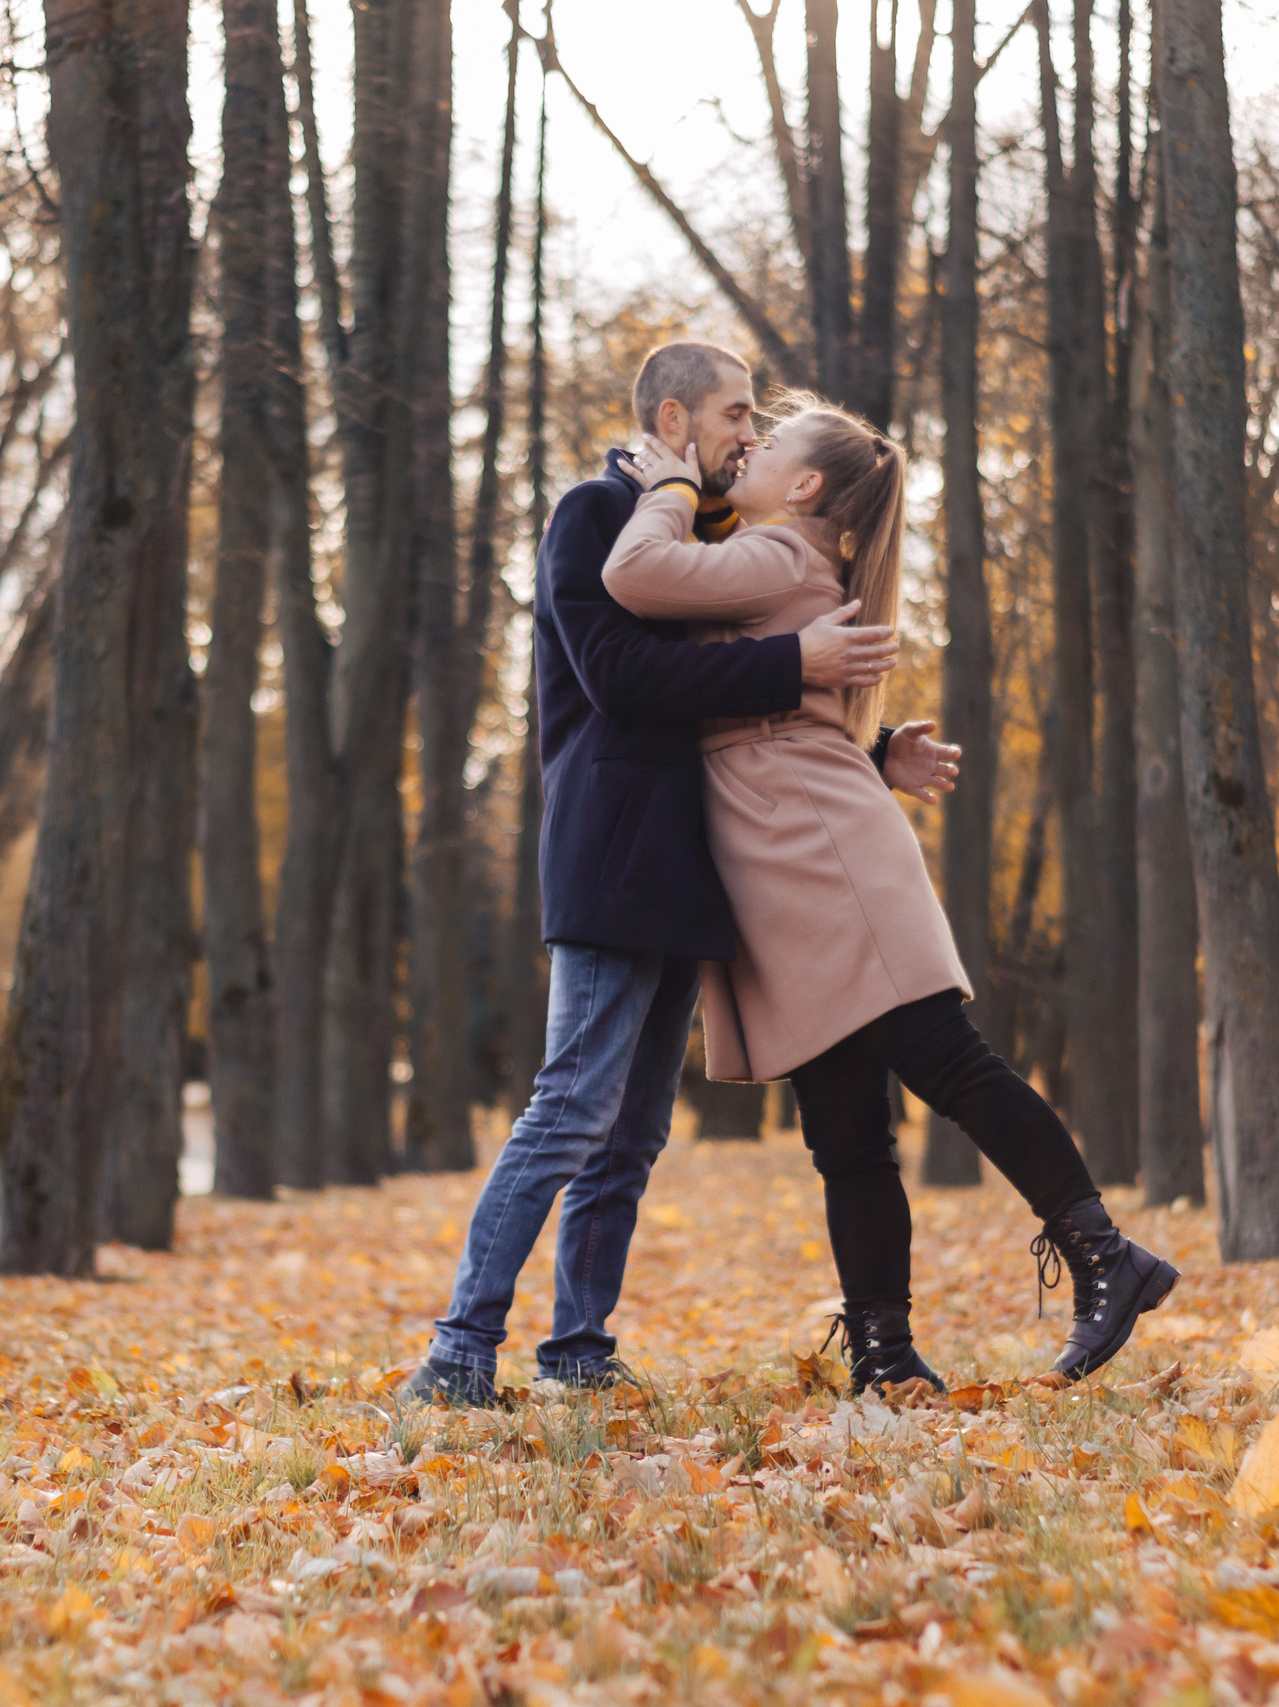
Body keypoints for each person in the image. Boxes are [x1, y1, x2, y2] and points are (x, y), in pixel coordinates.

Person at [603, 395, 1179, 1392]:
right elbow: (758, 700)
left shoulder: (780, 551)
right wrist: (874, 749)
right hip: (796, 856)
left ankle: (1103, 1255)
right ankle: (886, 1353)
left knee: (944, 1064)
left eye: (771, 445)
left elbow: (632, 574)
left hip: (825, 861)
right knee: (842, 1128)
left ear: (808, 487)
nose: (753, 450)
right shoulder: (780, 559)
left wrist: (667, 481)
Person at [400, 344, 940, 1406]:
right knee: (570, 1107)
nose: (750, 431)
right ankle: (458, 1350)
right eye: (737, 413)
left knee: (634, 1132)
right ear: (673, 414)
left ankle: (578, 1351)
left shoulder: (703, 534)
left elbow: (733, 721)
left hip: (692, 866)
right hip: (613, 847)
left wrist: (872, 757)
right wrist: (796, 663)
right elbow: (621, 676)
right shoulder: (595, 514)